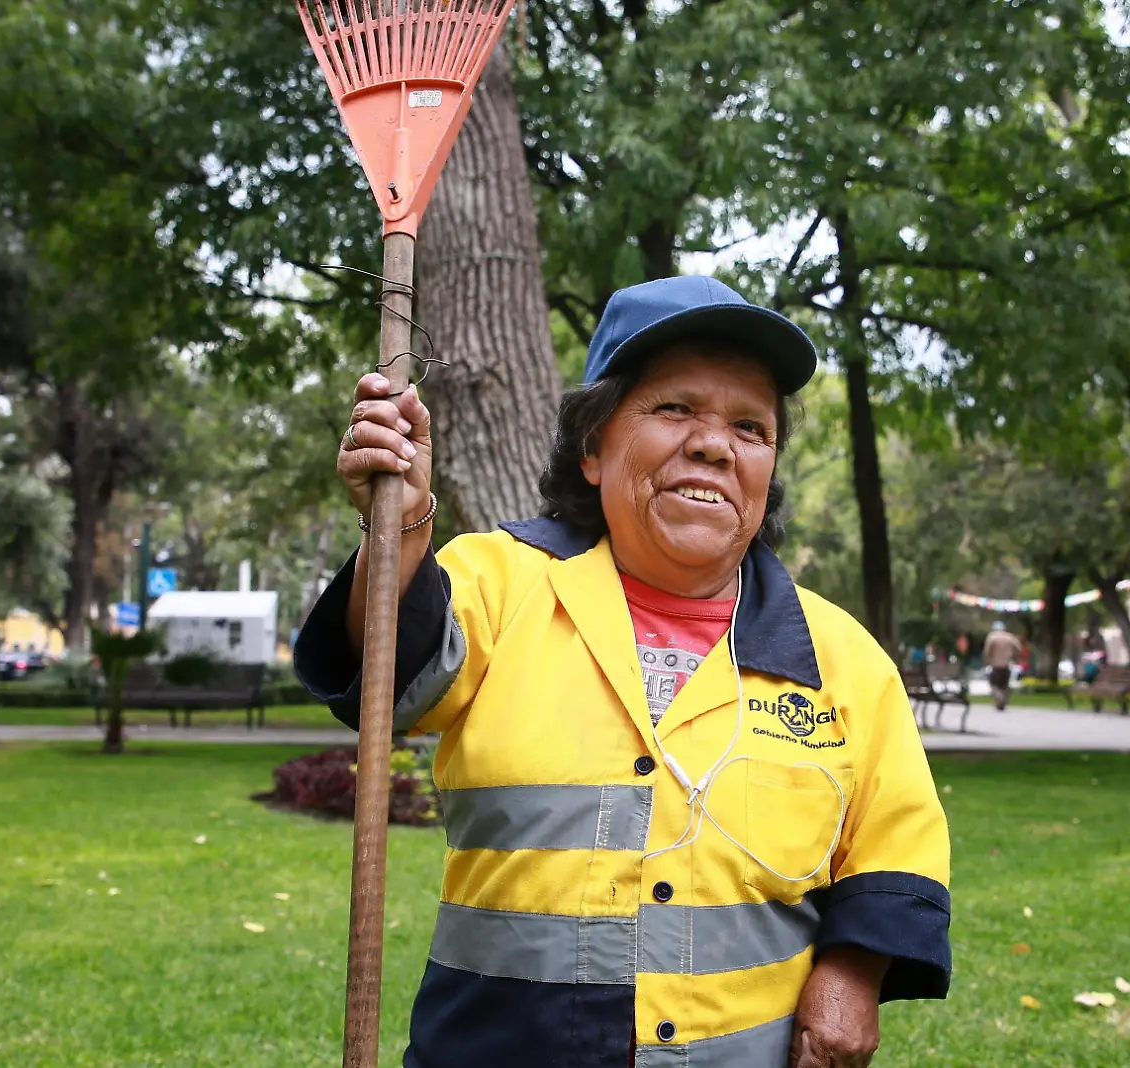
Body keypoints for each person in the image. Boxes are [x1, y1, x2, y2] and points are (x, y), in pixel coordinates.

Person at [297, 275, 951, 1068]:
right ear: (595, 447)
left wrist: (853, 971)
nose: (715, 443)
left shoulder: (841, 656)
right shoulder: (501, 581)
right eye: (675, 409)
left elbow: (897, 843)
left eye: (751, 426)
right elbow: (387, 677)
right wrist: (399, 530)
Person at [981, 622, 1024, 711]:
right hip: (1007, 664)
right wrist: (1014, 657)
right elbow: (1019, 649)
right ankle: (1002, 702)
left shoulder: (992, 637)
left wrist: (987, 661)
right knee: (1004, 685)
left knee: (994, 685)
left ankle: (1000, 699)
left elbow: (987, 651)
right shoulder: (1010, 637)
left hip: (995, 665)